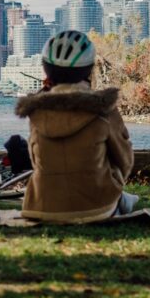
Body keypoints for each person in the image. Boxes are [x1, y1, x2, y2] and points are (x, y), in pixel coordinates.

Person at [14, 29, 136, 223]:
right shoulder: (104, 109)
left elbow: (36, 161)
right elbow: (125, 160)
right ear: (89, 69)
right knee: (126, 196)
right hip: (96, 208)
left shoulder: (36, 112)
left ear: (46, 69)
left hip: (43, 208)